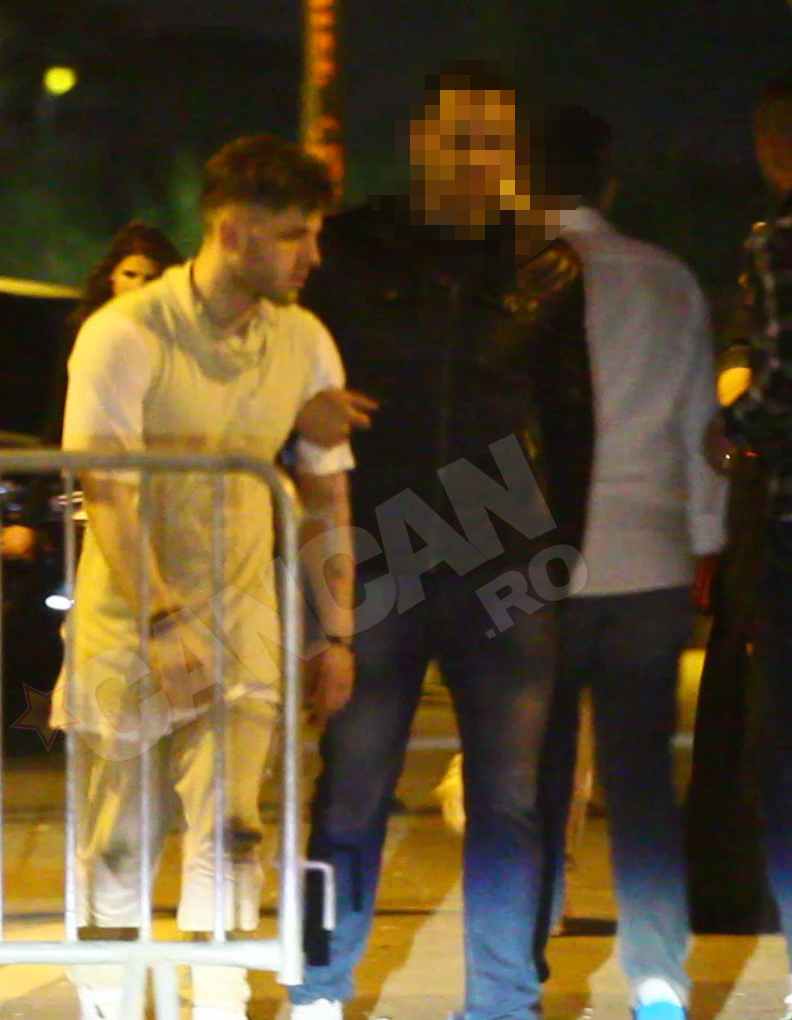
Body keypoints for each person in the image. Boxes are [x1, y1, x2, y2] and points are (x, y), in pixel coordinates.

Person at [287, 62, 594, 1020]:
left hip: (508, 562)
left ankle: (502, 1000)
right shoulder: (346, 252)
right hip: (376, 550)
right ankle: (319, 988)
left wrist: (564, 559)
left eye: (493, 142)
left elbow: (572, 420)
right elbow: (287, 370)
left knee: (511, 800)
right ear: (420, 142)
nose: (475, 158)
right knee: (351, 790)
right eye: (459, 138)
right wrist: (299, 416)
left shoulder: (548, 266)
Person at [54, 135, 356, 1020]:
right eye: (294, 235)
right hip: (128, 623)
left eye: (315, 233)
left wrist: (338, 631)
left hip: (244, 619)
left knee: (234, 831)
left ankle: (218, 1000)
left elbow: (327, 494)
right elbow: (105, 488)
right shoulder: (124, 333)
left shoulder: (304, 340)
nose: (312, 256)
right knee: (119, 838)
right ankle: (107, 999)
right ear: (232, 231)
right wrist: (161, 619)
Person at [530, 108, 728, 1020]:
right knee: (641, 779)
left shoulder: (515, 280)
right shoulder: (668, 279)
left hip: (537, 565)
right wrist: (707, 539)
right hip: (648, 561)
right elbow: (701, 430)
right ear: (607, 183)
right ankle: (656, 978)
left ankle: (517, 964)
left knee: (529, 781)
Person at [718, 70, 792, 1019]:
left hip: (787, 525)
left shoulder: (776, 243)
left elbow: (776, 389)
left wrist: (730, 417)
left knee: (779, 754)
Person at [0, 221, 182, 560]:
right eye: (130, 274)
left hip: (165, 499)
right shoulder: (89, 337)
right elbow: (57, 423)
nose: (139, 286)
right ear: (111, 276)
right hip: (101, 497)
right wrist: (29, 518)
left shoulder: (178, 342)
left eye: (151, 277)